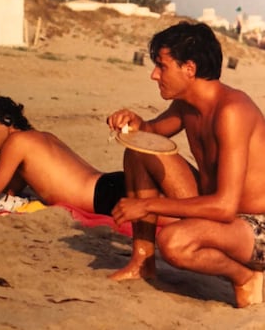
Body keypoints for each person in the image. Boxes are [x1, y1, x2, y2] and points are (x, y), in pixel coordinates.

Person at [106, 21, 265, 308]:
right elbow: (148, 134)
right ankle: (142, 262)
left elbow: (225, 206)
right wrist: (132, 122)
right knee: (138, 150)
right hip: (220, 213)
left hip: (256, 225)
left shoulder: (232, 112)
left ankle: (245, 277)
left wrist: (148, 206)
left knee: (174, 243)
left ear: (189, 69)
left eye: (162, 66)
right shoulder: (186, 106)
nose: (154, 75)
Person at [0, 95, 125, 216]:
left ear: (7, 121)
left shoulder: (17, 142)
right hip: (109, 186)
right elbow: (4, 192)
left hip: (104, 195)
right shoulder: (40, 138)